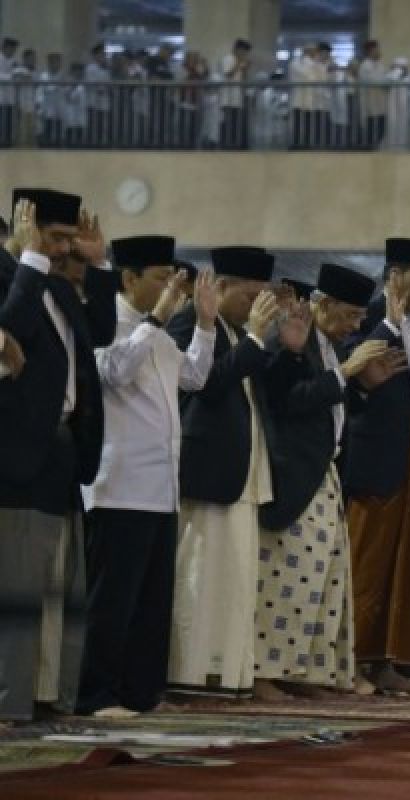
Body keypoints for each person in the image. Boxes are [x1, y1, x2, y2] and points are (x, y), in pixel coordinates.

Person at [78, 236, 217, 718]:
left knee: (150, 604)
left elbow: (195, 376)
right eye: (161, 278)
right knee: (110, 602)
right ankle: (95, 695)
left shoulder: (154, 331)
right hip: (118, 484)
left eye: (174, 280)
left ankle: (141, 693)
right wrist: (157, 318)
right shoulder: (104, 320)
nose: (170, 288)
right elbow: (113, 372)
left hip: (161, 489)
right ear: (129, 278)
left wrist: (203, 321)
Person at [0, 190, 115, 720]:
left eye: (70, 239)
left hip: (65, 451)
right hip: (20, 451)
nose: (64, 248)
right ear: (26, 229)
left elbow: (103, 334)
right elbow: (11, 329)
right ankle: (11, 701)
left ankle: (53, 695)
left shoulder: (55, 284)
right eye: (56, 238)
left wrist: (99, 264)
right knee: (19, 587)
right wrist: (28, 260)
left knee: (59, 590)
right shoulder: (16, 276)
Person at [254, 263, 387, 698]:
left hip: (324, 474)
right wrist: (347, 374)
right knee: (285, 580)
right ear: (323, 304)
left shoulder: (330, 345)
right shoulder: (290, 336)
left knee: (324, 581)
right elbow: (287, 402)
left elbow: (331, 409)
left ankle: (309, 673)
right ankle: (264, 675)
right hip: (294, 473)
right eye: (349, 315)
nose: (355, 325)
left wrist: (362, 388)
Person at [165, 246, 287, 696]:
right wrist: (256, 338)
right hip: (208, 471)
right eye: (248, 294)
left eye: (262, 296)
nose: (256, 305)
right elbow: (207, 387)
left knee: (235, 582)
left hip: (243, 472)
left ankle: (231, 677)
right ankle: (191, 674)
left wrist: (275, 344)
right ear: (219, 287)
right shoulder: (190, 323)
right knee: (200, 576)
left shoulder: (241, 332)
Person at [342, 237, 410, 692]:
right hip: (376, 460)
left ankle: (386, 662)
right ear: (394, 277)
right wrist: (386, 323)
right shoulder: (365, 319)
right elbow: (356, 374)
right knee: (368, 564)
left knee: (405, 563)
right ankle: (351, 662)